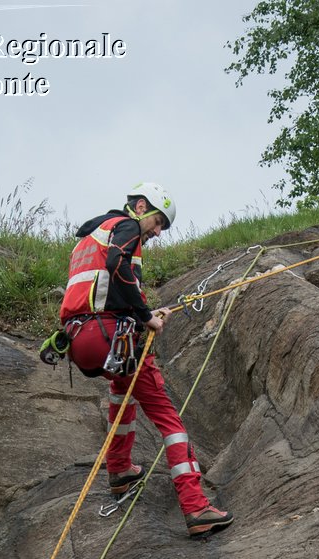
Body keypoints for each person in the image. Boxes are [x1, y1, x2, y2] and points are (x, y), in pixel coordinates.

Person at [58, 182, 234, 537]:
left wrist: (143, 312)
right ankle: (196, 506)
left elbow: (103, 289)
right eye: (157, 222)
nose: (157, 232)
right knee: (170, 421)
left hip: (81, 339)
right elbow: (118, 264)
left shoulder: (92, 235)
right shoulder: (126, 227)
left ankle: (120, 469)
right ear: (141, 206)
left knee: (122, 391)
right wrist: (146, 316)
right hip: (112, 335)